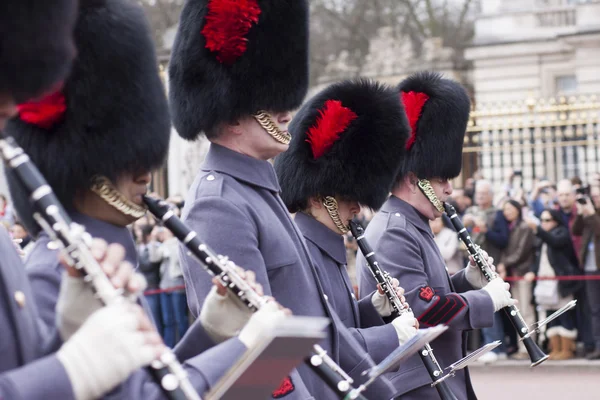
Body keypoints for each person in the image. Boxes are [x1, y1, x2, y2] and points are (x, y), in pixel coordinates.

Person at [4, 0, 283, 398]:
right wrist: (247, 351)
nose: (144, 173)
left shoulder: (102, 256)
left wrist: (208, 334)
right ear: (87, 162)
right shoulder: (56, 271)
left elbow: (145, 382)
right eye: (127, 158)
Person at [169, 1, 394, 398]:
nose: (287, 111)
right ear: (234, 114)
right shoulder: (218, 204)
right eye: (271, 102)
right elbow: (250, 351)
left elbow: (319, 325)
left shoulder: (260, 193)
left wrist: (379, 389)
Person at [357, 71, 515, 400]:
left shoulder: (411, 222)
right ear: (415, 179)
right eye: (442, 178)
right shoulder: (394, 231)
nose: (449, 188)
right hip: (418, 381)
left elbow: (430, 292)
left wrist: (468, 279)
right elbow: (423, 310)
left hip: (441, 372)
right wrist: (486, 300)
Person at [274, 79, 418, 371]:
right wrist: (391, 335)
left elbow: (342, 320)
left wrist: (374, 306)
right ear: (317, 198)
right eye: (347, 197)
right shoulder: (302, 253)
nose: (358, 206)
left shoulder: (327, 246)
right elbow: (323, 343)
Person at [525, 209, 582, 360]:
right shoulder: (542, 237)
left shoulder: (562, 233)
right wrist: (532, 272)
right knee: (551, 316)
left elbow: (554, 241)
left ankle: (567, 349)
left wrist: (537, 228)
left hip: (561, 282)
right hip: (544, 283)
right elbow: (537, 259)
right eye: (542, 220)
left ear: (556, 220)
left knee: (563, 314)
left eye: (547, 220)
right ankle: (555, 347)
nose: (544, 223)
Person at [497, 199, 535, 359]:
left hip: (523, 272)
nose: (507, 212)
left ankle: (528, 347)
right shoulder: (511, 227)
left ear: (518, 210)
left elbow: (520, 252)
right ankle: (523, 347)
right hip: (514, 274)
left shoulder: (524, 227)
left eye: (510, 208)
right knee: (519, 311)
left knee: (526, 311)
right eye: (505, 209)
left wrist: (503, 263)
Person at [571, 186, 600, 360]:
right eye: (593, 196)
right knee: (594, 309)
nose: (595, 199)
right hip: (589, 267)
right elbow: (575, 230)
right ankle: (598, 345)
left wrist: (590, 214)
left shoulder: (594, 215)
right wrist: (581, 212)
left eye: (597, 196)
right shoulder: (588, 213)